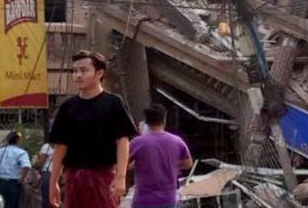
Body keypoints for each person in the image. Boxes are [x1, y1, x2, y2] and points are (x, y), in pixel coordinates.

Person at [48, 50, 138, 208]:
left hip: (103, 177)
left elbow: (122, 142)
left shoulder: (114, 103)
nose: (78, 75)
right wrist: (53, 181)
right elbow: (60, 147)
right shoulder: (67, 107)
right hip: (74, 179)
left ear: (99, 73)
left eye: (84, 70)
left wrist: (121, 177)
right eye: (75, 71)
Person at [129, 104, 193, 208]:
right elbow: (188, 163)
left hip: (143, 200)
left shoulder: (137, 142)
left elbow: (121, 166)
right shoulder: (177, 141)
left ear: (146, 122)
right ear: (164, 120)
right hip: (167, 199)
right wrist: (171, 164)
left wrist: (135, 165)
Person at [0, 132, 32, 208]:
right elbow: (26, 166)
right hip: (14, 184)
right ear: (18, 140)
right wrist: (22, 179)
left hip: (1, 183)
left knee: (2, 205)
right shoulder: (21, 153)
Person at [36, 141, 53, 208]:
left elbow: (41, 161)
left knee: (46, 198)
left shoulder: (47, 146)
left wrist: (37, 167)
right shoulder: (63, 146)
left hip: (47, 173)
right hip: (60, 174)